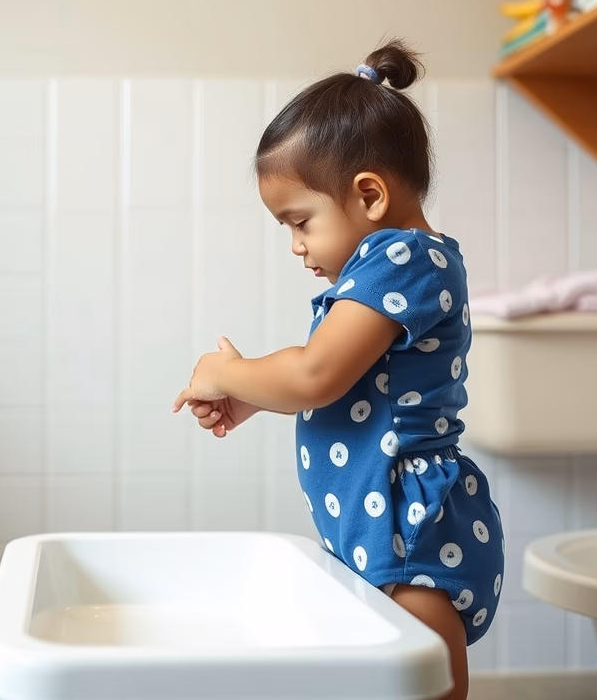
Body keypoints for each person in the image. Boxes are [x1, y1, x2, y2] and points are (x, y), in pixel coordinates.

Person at [172, 39, 504, 700]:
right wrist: (253, 399)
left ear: (370, 195)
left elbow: (315, 375)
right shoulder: (392, 264)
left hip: (408, 530)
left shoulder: (404, 256)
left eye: (299, 222)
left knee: (422, 683)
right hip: (378, 522)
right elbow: (353, 386)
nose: (295, 245)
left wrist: (223, 371)